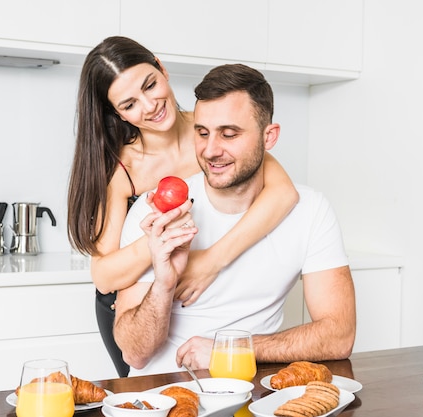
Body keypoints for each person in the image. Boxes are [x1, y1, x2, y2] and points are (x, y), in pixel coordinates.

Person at [66, 37, 299, 377]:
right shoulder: (122, 172)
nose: (149, 106)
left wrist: (212, 262)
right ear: (116, 112)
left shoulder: (211, 132)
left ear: (162, 68)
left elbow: (283, 195)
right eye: (129, 104)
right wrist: (159, 243)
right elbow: (104, 277)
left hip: (204, 291)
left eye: (150, 85)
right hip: (134, 308)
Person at [114, 63, 356, 376]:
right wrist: (164, 283)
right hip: (161, 394)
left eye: (229, 134)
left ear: (269, 137)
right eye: (202, 133)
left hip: (253, 392)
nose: (211, 150)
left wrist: (229, 351)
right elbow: (135, 354)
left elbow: (339, 336)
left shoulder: (311, 210)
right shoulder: (156, 213)